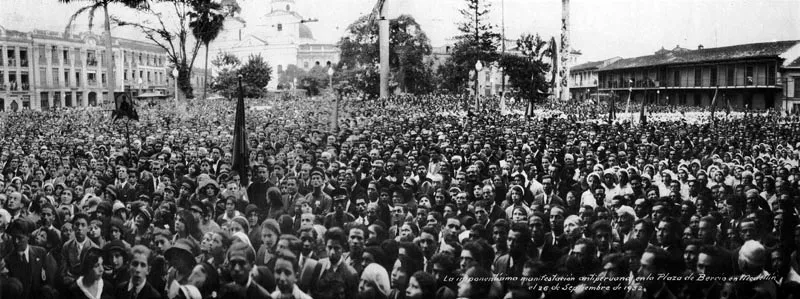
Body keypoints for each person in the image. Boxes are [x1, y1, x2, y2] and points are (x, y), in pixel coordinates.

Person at [4, 217, 58, 298]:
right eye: (13, 238)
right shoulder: (8, 260)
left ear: (28, 236)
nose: (16, 242)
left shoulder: (40, 253)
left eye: (20, 238)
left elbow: (48, 281)